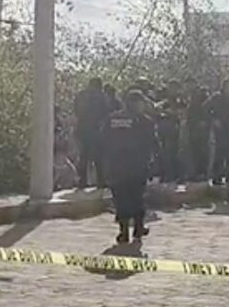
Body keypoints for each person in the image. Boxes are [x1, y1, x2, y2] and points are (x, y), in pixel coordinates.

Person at [101, 90, 157, 243]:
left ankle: (123, 231)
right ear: (137, 103)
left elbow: (102, 140)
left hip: (116, 166)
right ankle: (138, 228)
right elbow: (152, 143)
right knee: (137, 198)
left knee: (121, 199)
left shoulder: (112, 119)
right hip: (136, 167)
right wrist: (152, 163)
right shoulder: (144, 121)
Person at [73, 77, 110, 188]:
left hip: (82, 128)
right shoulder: (101, 96)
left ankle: (82, 181)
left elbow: (76, 110)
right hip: (96, 129)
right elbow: (106, 112)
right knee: (99, 156)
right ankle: (101, 181)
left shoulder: (80, 95)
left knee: (84, 155)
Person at [207, 78, 229, 185]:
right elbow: (206, 109)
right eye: (228, 86)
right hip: (220, 129)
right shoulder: (216, 98)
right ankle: (216, 177)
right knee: (220, 153)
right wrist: (214, 120)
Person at [156, 80, 185, 183]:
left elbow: (182, 112)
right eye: (171, 87)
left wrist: (172, 113)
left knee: (175, 152)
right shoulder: (163, 99)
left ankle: (176, 174)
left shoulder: (180, 100)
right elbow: (157, 110)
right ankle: (166, 174)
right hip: (164, 129)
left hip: (176, 128)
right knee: (165, 152)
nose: (173, 90)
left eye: (175, 87)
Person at [186, 85, 210, 182]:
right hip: (194, 132)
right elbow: (189, 118)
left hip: (203, 133)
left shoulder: (204, 104)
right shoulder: (191, 106)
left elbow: (209, 115)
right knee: (195, 153)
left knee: (203, 153)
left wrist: (204, 123)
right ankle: (197, 173)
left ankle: (202, 173)